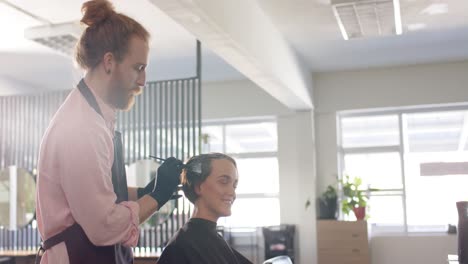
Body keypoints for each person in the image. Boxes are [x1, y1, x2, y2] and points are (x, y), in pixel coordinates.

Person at [35, 1, 182, 263]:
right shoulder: (82, 128)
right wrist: (158, 197)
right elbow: (104, 224)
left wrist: (149, 189)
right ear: (109, 62)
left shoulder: (96, 119)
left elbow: (101, 193)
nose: (143, 81)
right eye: (138, 67)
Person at [157, 153, 253, 264]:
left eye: (234, 186)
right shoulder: (184, 246)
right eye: (223, 182)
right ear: (198, 187)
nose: (232, 193)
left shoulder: (209, 238)